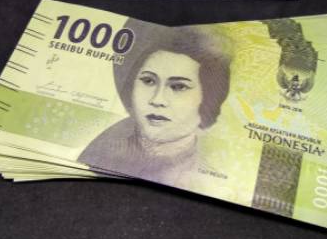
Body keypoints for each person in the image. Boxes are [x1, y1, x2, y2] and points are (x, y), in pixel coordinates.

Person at [78, 25, 231, 187]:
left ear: (209, 98)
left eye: (178, 87)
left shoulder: (214, 182)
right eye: (148, 81)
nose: (157, 100)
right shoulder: (97, 154)